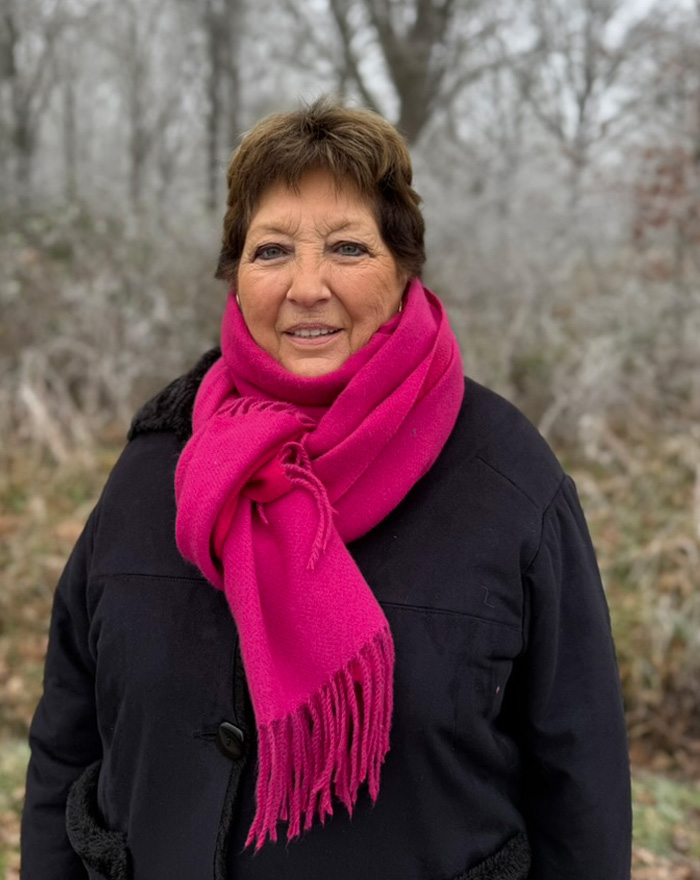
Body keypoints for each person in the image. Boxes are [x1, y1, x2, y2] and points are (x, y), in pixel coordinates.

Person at [20, 99, 632, 880]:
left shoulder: (509, 480)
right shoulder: (154, 464)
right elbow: (69, 740)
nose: (307, 286)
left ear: (403, 266)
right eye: (272, 251)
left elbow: (581, 783)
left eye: (347, 247)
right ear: (236, 276)